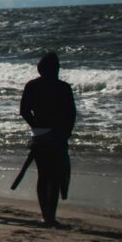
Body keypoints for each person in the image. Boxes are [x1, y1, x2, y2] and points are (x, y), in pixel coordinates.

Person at [20, 52, 76, 228]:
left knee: (44, 176)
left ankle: (46, 216)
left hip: (41, 135)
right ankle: (51, 214)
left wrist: (35, 125)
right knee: (57, 176)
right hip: (59, 135)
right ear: (56, 69)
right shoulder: (63, 87)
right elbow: (71, 114)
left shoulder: (32, 86)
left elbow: (24, 110)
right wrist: (66, 132)